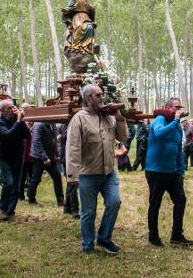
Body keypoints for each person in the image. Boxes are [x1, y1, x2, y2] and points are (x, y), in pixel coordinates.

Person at [66, 84, 128, 254]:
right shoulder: (79, 118)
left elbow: (123, 137)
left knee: (114, 203)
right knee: (88, 212)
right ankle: (88, 245)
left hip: (109, 173)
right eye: (98, 95)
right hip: (87, 175)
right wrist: (73, 176)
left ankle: (104, 238)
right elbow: (73, 149)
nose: (102, 98)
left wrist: (119, 117)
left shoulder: (109, 117)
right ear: (88, 98)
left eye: (102, 95)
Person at [145, 97, 193, 247]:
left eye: (181, 107)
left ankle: (176, 236)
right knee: (155, 203)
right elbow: (159, 133)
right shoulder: (160, 119)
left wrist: (181, 171)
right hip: (156, 170)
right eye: (176, 107)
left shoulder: (178, 126)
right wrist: (175, 121)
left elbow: (178, 149)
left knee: (181, 200)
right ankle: (153, 236)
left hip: (173, 172)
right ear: (167, 107)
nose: (179, 110)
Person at [0, 99, 30, 221]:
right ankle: (2, 209)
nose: (13, 110)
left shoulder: (17, 121)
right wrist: (18, 122)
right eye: (9, 108)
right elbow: (7, 136)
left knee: (17, 187)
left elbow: (27, 135)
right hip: (5, 157)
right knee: (8, 183)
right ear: (2, 111)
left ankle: (10, 211)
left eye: (14, 107)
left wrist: (22, 120)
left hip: (18, 157)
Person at [62, 0, 97, 74]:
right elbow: (69, 7)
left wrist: (92, 9)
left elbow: (91, 11)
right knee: (78, 27)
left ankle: (85, 49)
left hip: (86, 17)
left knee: (89, 27)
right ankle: (76, 48)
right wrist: (67, 10)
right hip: (77, 17)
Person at [27, 122, 65, 206]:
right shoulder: (38, 124)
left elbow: (54, 140)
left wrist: (56, 154)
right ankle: (31, 199)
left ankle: (61, 201)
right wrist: (44, 157)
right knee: (35, 179)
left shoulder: (52, 124)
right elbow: (37, 141)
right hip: (38, 157)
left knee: (57, 177)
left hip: (50, 157)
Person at [60, 124, 80, 219]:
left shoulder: (69, 124)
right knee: (72, 183)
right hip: (68, 159)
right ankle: (74, 211)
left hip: (71, 158)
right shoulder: (67, 125)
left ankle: (67, 208)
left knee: (70, 184)